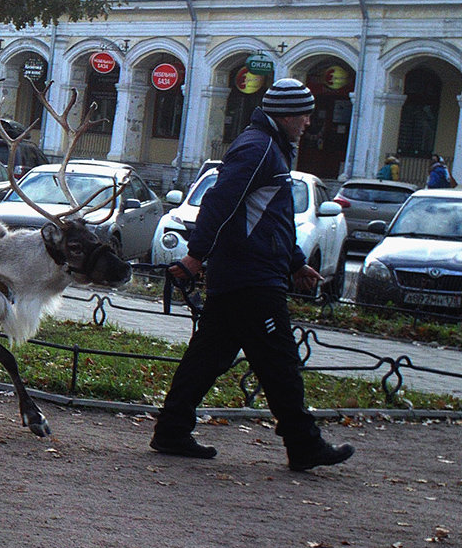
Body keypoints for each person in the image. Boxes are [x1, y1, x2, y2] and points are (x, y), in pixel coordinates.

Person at [151, 78, 355, 472]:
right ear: (287, 115)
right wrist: (195, 258)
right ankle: (304, 444)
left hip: (248, 274)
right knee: (279, 362)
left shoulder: (268, 148)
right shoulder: (259, 149)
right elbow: (219, 203)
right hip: (251, 277)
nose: (309, 122)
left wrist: (295, 262)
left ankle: (171, 430)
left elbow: (272, 220)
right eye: (304, 114)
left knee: (206, 359)